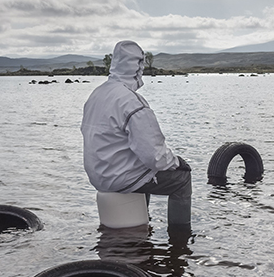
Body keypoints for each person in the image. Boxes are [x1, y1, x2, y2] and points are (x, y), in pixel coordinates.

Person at [81, 40, 191, 225]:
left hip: (98, 174)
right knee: (181, 179)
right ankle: (180, 239)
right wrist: (177, 162)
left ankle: (142, 226)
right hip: (119, 178)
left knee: (144, 171)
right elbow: (154, 155)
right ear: (137, 66)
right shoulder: (132, 102)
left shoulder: (96, 95)